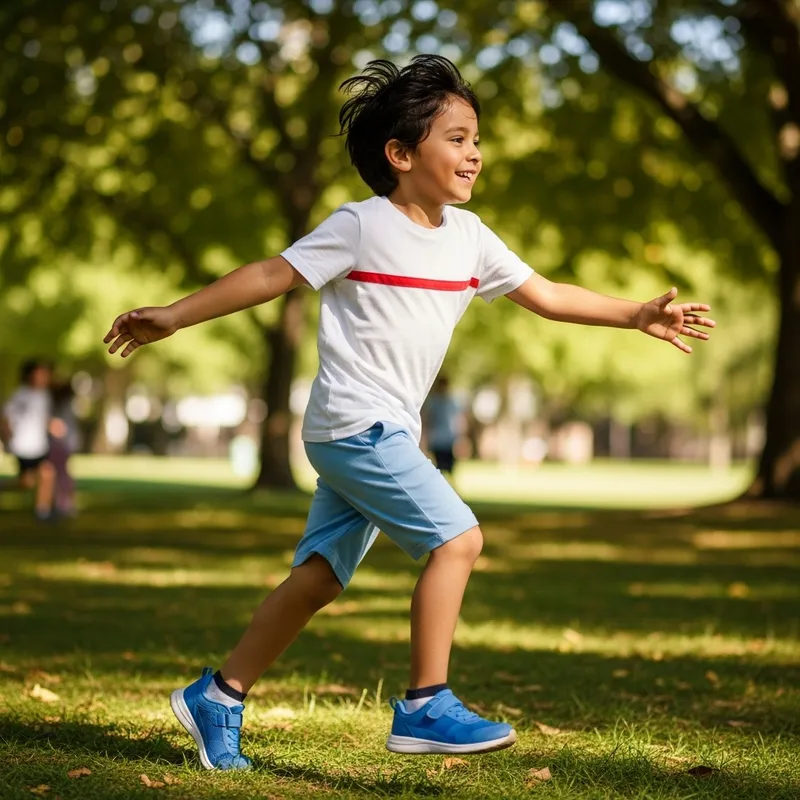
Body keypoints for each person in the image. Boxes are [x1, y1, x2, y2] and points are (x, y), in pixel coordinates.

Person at [103, 55, 715, 770]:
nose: (474, 152)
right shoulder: (360, 227)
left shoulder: (471, 238)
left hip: (384, 430)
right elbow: (273, 274)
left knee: (320, 578)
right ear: (400, 154)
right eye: (455, 138)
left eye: (476, 138)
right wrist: (175, 315)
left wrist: (633, 313)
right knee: (457, 541)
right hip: (354, 425)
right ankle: (426, 703)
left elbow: (546, 294)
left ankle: (219, 695)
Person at [0, 359, 56, 520]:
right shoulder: (20, 394)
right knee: (27, 482)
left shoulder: (44, 396)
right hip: (23, 446)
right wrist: (7, 432)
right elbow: (5, 415)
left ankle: (42, 511)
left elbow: (41, 417)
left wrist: (52, 425)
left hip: (39, 445)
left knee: (47, 473)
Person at [48, 379, 79, 518]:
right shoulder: (64, 407)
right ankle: (62, 503)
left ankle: (62, 504)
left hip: (60, 444)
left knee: (60, 475)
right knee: (62, 475)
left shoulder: (61, 407)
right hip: (62, 444)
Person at [423, 375, 464, 475]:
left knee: (450, 467)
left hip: (448, 439)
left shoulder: (451, 402)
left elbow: (458, 420)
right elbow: (428, 419)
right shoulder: (434, 401)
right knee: (439, 467)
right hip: (437, 439)